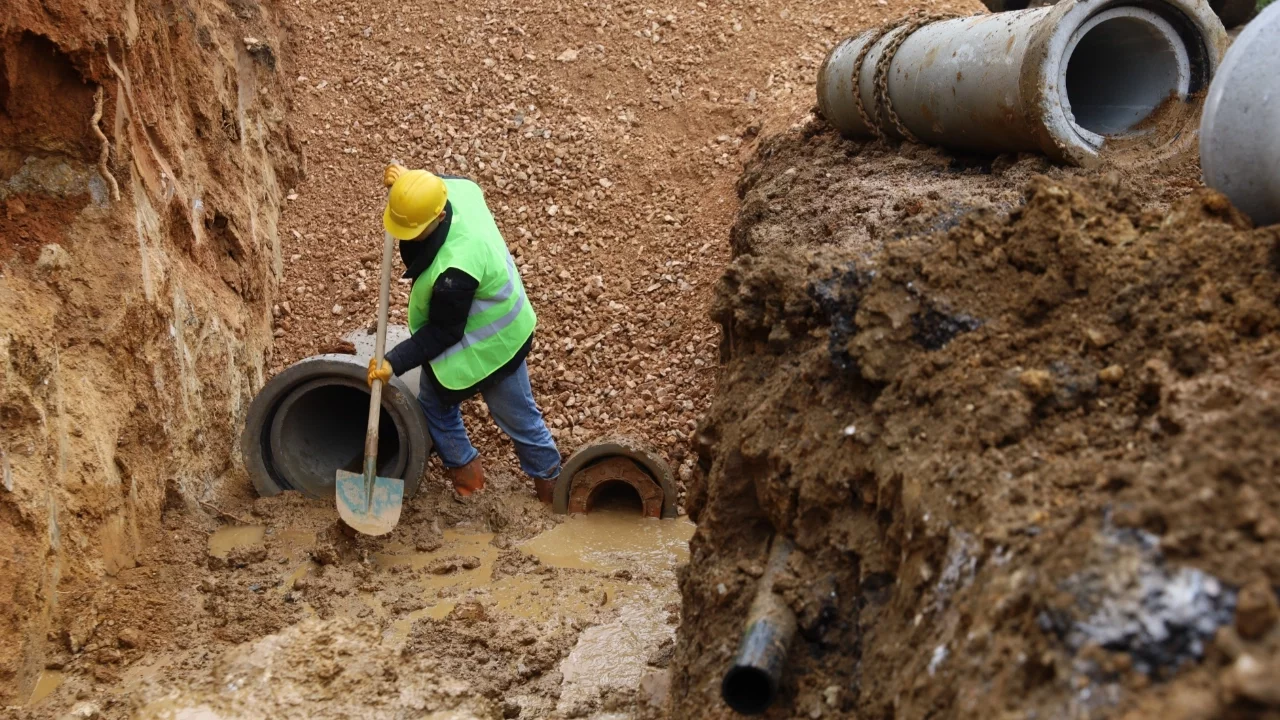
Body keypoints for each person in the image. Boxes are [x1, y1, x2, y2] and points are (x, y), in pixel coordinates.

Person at [366, 164, 560, 502]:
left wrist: (393, 361)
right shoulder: (455, 190)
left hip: (496, 344)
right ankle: (469, 481)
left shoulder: (453, 271)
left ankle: (553, 488)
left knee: (517, 417)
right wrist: (406, 185)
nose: (403, 236)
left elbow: (443, 332)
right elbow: (433, 187)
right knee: (433, 402)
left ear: (439, 217)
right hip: (487, 311)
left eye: (412, 228)